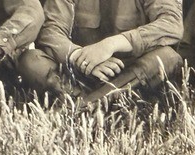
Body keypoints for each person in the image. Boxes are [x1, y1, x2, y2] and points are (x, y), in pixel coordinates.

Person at [18, 0, 183, 105]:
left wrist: (110, 45)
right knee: (30, 60)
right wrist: (81, 58)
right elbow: (50, 31)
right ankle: (98, 106)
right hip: (83, 74)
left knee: (167, 57)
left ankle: (80, 109)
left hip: (133, 75)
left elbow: (171, 24)